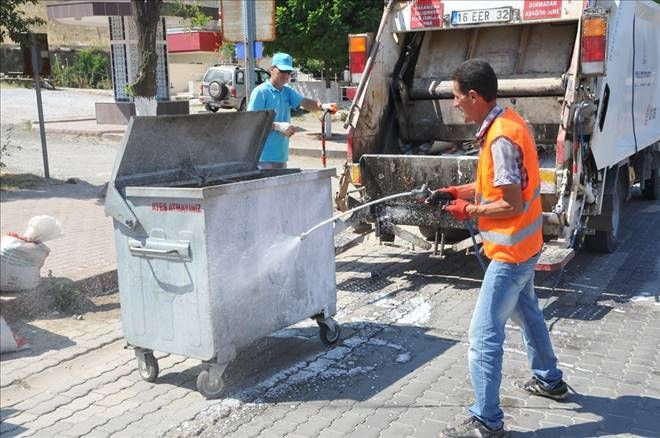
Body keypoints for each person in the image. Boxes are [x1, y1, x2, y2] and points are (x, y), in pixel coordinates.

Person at [427, 59, 567, 438]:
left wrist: (468, 210)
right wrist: (455, 192)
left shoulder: (501, 138)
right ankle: (549, 379)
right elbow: (498, 188)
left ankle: (488, 420)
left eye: (457, 97)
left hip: (510, 254)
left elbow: (511, 203)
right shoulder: (507, 122)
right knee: (530, 314)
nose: (455, 104)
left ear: (474, 96)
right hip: (527, 245)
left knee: (484, 336)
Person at [247, 52, 336, 169]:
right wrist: (277, 126)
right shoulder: (261, 92)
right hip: (262, 157)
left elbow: (304, 102)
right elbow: (252, 122)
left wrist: (323, 106)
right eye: (282, 71)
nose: (285, 75)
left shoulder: (287, 91)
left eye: (288, 72)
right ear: (272, 69)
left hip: (281, 157)